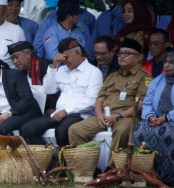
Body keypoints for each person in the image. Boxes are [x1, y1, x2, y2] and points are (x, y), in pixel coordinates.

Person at [68, 38, 152, 168]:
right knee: (75, 130)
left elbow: (141, 104)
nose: (122, 56)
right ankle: (87, 168)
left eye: (127, 53)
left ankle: (112, 170)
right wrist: (98, 114)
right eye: (120, 53)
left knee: (121, 131)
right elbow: (100, 99)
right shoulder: (112, 76)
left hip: (127, 117)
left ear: (138, 57)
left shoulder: (144, 77)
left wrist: (118, 116)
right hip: (105, 116)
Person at [20, 37, 103, 146]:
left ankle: (64, 161)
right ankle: (49, 159)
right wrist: (54, 67)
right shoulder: (62, 70)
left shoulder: (93, 72)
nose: (64, 61)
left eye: (66, 57)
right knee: (27, 128)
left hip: (80, 115)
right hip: (59, 114)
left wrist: (66, 111)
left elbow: (92, 101)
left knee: (62, 130)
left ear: (77, 53)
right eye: (62, 58)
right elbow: (49, 89)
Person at [134, 49, 174, 186]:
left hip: (171, 120)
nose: (167, 66)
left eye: (171, 63)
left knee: (169, 133)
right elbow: (148, 102)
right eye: (166, 62)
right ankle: (146, 174)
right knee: (139, 130)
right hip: (156, 119)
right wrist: (150, 116)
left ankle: (168, 176)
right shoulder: (157, 81)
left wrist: (167, 118)